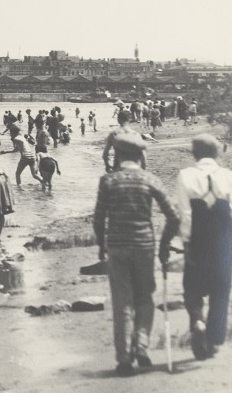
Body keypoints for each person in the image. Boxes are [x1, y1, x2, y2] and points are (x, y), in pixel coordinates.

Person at [92, 133, 180, 376]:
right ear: (141, 155)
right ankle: (141, 345)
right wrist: (164, 246)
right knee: (144, 298)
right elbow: (174, 216)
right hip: (144, 246)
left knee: (122, 302)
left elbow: (98, 218)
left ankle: (123, 359)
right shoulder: (149, 179)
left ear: (117, 154)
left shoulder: (108, 181)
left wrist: (101, 245)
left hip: (117, 247)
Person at [175, 134, 232, 360]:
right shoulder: (228, 176)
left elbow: (185, 214)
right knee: (221, 288)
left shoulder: (185, 175)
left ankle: (197, 319)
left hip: (198, 236)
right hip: (222, 238)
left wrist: (186, 242)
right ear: (217, 153)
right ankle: (215, 338)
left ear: (194, 153)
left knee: (192, 284)